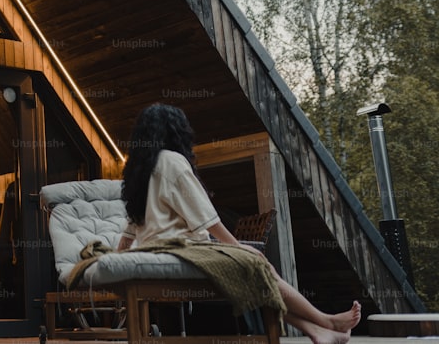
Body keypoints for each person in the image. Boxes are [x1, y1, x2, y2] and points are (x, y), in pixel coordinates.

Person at [116, 103, 361, 344]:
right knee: (258, 264)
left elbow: (132, 226)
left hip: (152, 249)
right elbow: (206, 217)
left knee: (256, 271)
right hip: (181, 249)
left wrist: (119, 258)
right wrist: (237, 247)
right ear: (175, 131)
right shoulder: (172, 161)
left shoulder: (138, 169)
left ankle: (315, 329)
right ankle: (325, 321)